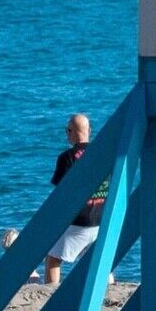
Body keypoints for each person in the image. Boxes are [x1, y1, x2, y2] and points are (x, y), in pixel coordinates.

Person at [36, 112, 106, 290]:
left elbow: (61, 193)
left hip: (78, 222)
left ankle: (50, 292)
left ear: (70, 131)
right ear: (89, 130)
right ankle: (110, 286)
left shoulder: (66, 157)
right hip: (100, 218)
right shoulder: (104, 154)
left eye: (67, 130)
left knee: (53, 259)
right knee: (97, 261)